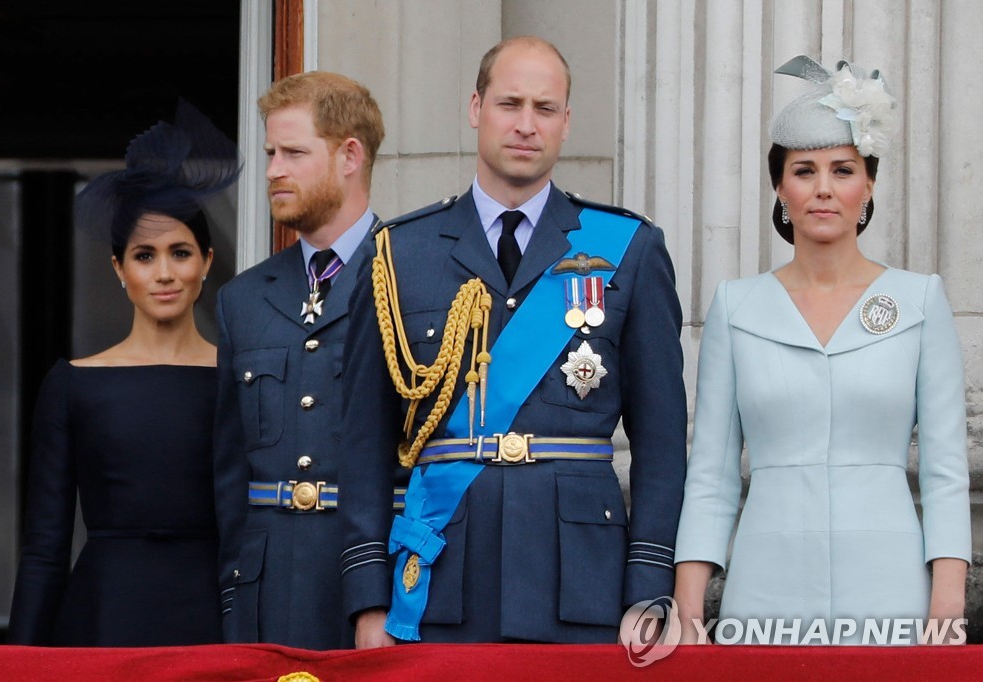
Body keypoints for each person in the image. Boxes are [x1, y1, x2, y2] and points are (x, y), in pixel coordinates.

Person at [339, 36, 686, 646]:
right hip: (439, 582)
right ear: (476, 107)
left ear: (567, 121)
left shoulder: (627, 248)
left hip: (583, 584)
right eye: (510, 104)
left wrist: (647, 590)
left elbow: (661, 446)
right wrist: (369, 603)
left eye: (545, 109)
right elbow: (364, 444)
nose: (527, 125)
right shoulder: (400, 253)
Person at [673, 56, 970, 645]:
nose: (825, 189)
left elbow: (944, 472)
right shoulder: (736, 307)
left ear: (870, 183)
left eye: (843, 169)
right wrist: (687, 611)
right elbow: (711, 473)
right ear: (780, 187)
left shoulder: (919, 300)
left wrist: (948, 601)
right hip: (765, 587)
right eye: (804, 171)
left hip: (892, 587)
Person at [8, 101, 240, 646]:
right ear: (119, 268)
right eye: (144, 255)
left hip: (216, 621)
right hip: (101, 622)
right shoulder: (73, 384)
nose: (164, 273)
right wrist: (17, 663)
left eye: (180, 252)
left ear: (206, 262)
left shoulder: (239, 379)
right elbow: (45, 546)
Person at [213, 71, 392, 649]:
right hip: (265, 592)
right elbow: (230, 471)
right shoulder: (242, 298)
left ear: (349, 156)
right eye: (270, 153)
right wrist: (234, 595)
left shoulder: (413, 277)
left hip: (378, 585)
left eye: (293, 152)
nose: (272, 171)